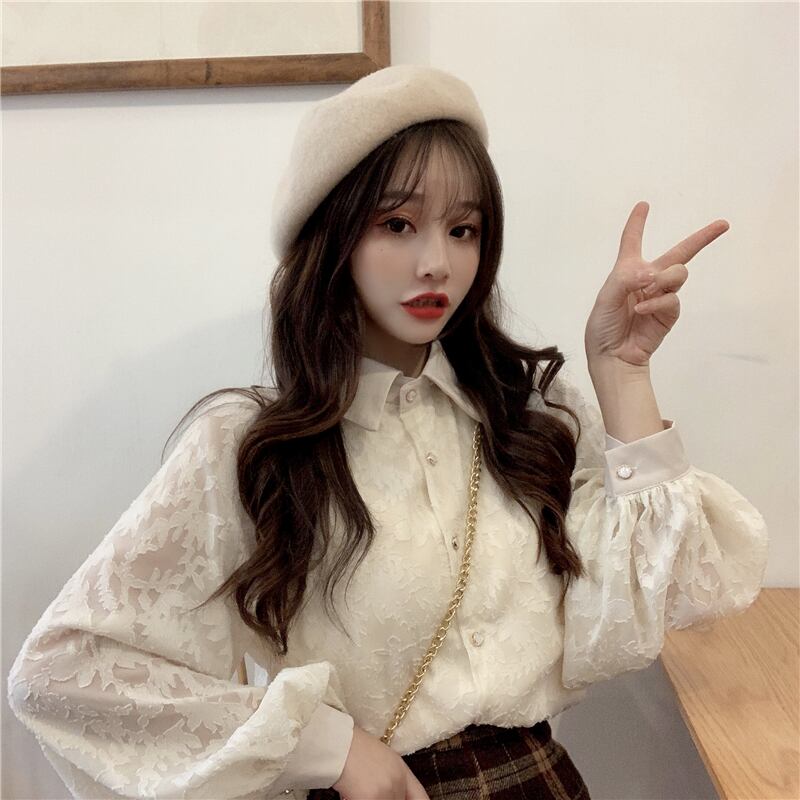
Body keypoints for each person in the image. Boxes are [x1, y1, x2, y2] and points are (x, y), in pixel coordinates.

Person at [6, 65, 768, 800]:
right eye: (397, 224)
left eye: (463, 229)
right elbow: (64, 670)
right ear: (332, 237)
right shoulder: (250, 448)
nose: (437, 263)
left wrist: (622, 372)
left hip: (537, 781)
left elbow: (670, 597)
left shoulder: (527, 413)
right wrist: (329, 748)